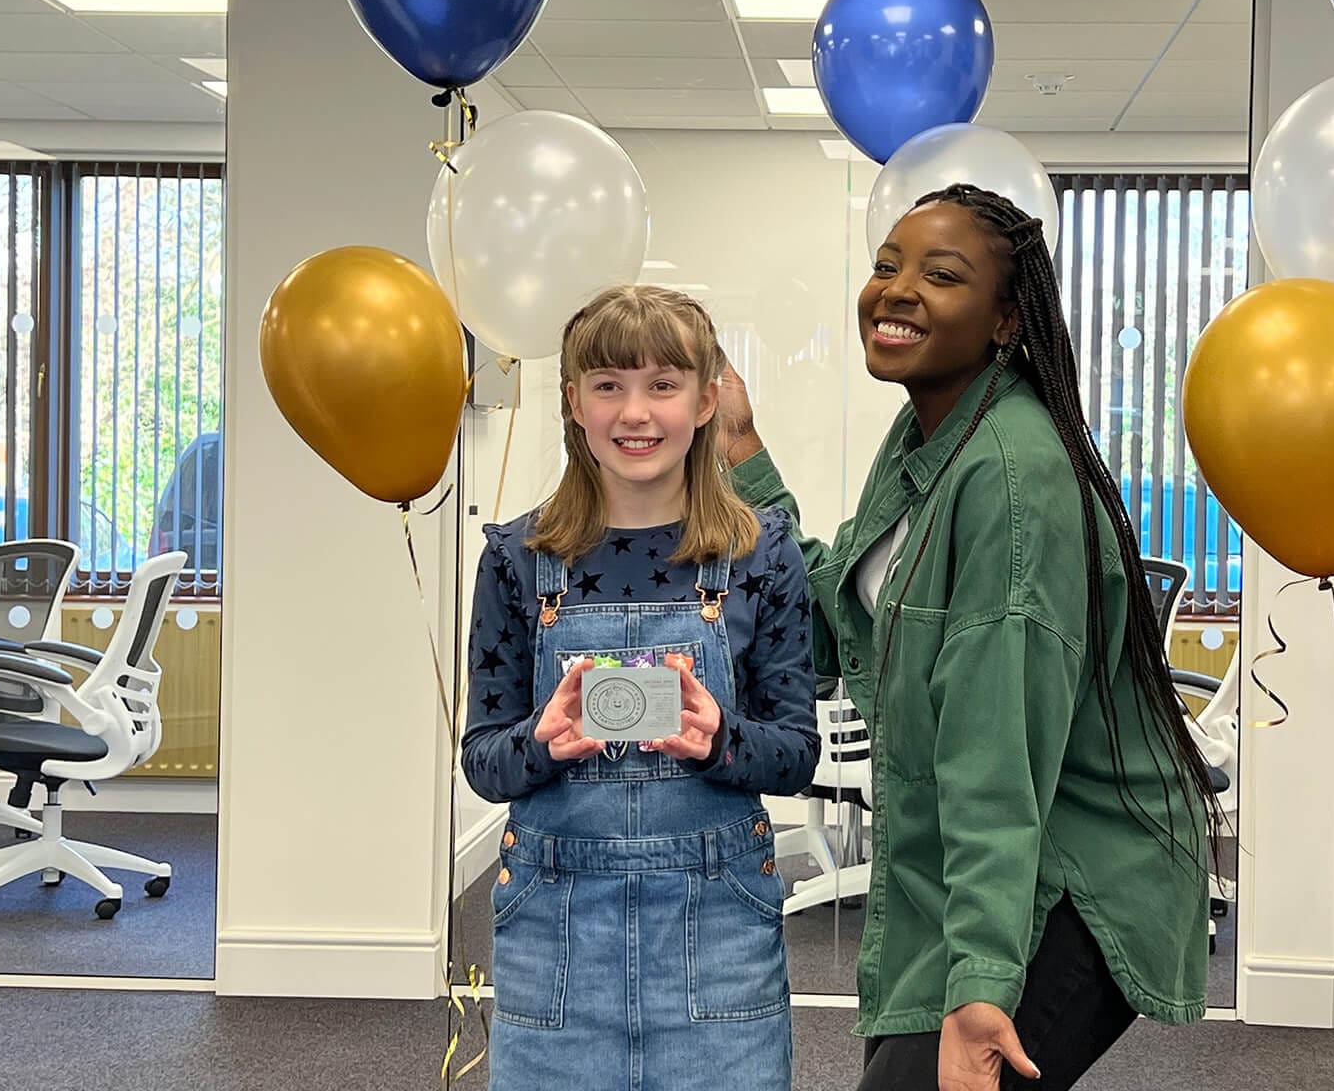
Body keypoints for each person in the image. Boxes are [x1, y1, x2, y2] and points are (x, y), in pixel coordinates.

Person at [718, 185, 1218, 1091]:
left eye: (941, 276)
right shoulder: (930, 433)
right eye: (886, 265)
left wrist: (983, 981)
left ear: (1005, 320)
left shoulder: (1009, 477)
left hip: (1075, 865)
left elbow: (998, 753)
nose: (897, 290)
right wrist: (744, 456)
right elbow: (851, 611)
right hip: (982, 855)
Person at [462, 285, 819, 1091]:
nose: (636, 412)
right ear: (572, 403)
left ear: (707, 398)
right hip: (554, 935)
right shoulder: (517, 560)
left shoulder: (764, 558)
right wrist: (539, 742)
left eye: (662, 385)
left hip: (717, 932)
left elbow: (795, 754)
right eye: (609, 385)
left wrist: (720, 739)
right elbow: (483, 762)